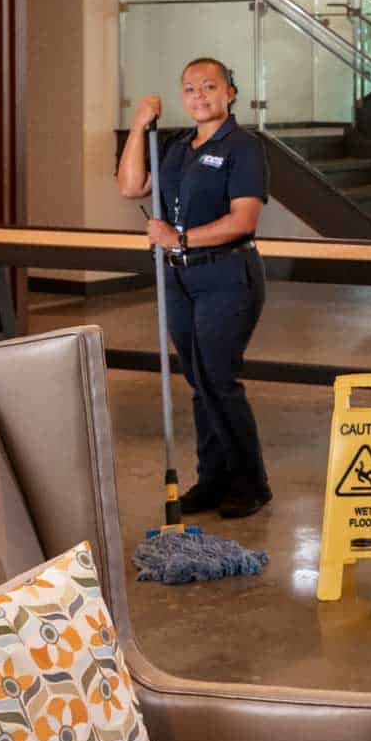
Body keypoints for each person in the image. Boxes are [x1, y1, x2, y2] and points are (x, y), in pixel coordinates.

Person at [116, 57, 274, 519]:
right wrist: (138, 126)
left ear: (230, 92)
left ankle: (251, 483)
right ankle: (213, 480)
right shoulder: (178, 144)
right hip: (178, 277)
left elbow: (243, 219)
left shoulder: (243, 147)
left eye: (209, 87)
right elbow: (131, 187)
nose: (199, 96)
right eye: (189, 89)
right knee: (199, 381)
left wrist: (178, 238)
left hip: (227, 275)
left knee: (218, 380)